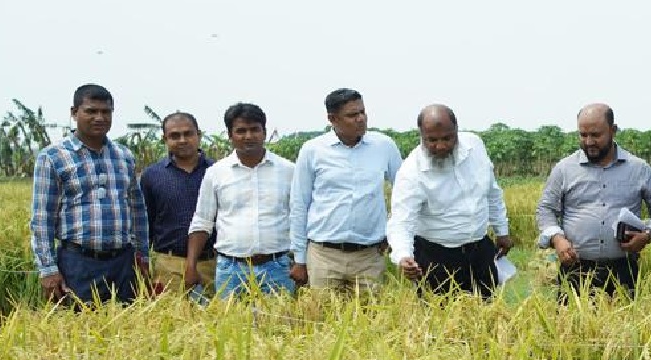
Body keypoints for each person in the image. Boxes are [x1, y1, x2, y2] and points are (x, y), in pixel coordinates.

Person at [30, 83, 150, 306]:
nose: (99, 117)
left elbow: (137, 210)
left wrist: (142, 255)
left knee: (128, 328)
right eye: (91, 111)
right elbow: (42, 219)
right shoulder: (53, 157)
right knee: (78, 329)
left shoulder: (124, 156)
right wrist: (47, 269)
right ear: (74, 113)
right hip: (78, 262)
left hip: (123, 262)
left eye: (106, 112)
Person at [535, 103, 651, 299]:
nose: (588, 142)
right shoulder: (564, 169)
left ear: (613, 131)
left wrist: (648, 234)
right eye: (583, 135)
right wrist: (557, 239)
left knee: (624, 325)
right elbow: (545, 209)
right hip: (576, 269)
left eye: (596, 135)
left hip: (623, 270)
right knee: (572, 327)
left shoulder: (639, 169)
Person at [386, 105, 514, 298]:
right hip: (436, 257)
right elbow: (401, 221)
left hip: (480, 250)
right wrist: (403, 256)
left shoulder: (475, 146)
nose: (441, 146)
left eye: (447, 138)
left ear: (456, 130)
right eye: (432, 140)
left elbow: (492, 192)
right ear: (421, 136)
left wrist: (501, 231)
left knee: (487, 313)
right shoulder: (411, 172)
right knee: (440, 321)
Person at [290, 88, 403, 293]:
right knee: (323, 318)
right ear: (332, 119)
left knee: (372, 319)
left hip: (369, 256)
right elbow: (299, 204)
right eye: (352, 115)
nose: (360, 119)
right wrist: (299, 259)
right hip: (324, 255)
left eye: (362, 112)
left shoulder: (384, 146)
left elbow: (404, 193)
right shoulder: (312, 150)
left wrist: (393, 234)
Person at [187, 103, 297, 298]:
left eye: (255, 129)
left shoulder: (288, 170)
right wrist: (191, 266)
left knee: (279, 325)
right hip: (231, 269)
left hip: (277, 267)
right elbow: (202, 221)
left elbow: (299, 217)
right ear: (230, 135)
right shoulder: (216, 173)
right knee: (231, 326)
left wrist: (300, 262)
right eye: (241, 131)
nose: (248, 136)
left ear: (264, 132)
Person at [140, 112, 215, 293]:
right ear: (164, 139)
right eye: (174, 136)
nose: (182, 140)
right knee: (170, 319)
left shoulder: (217, 171)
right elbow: (145, 223)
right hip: (168, 264)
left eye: (188, 134)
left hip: (212, 264)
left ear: (199, 135)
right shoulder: (152, 175)